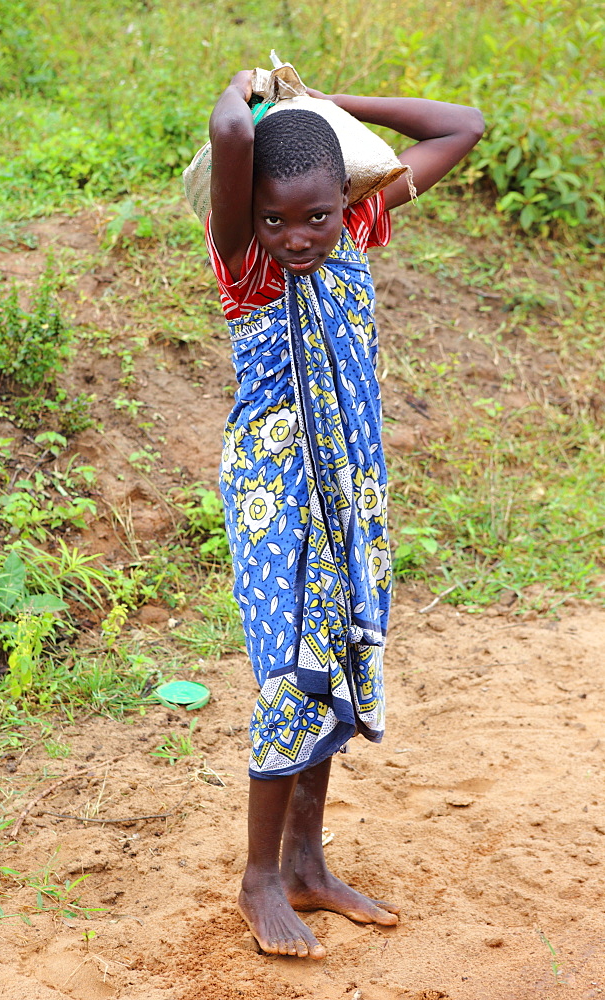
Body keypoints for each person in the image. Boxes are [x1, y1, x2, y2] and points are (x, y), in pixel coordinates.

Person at [206, 70, 484, 959]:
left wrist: (337, 106)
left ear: (346, 203)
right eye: (275, 217)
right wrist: (247, 93)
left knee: (338, 660)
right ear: (249, 216)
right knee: (290, 671)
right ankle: (259, 883)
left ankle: (305, 867)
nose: (296, 236)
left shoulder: (359, 226)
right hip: (274, 494)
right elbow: (232, 138)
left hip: (352, 488)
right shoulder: (246, 266)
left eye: (315, 216)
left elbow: (462, 124)